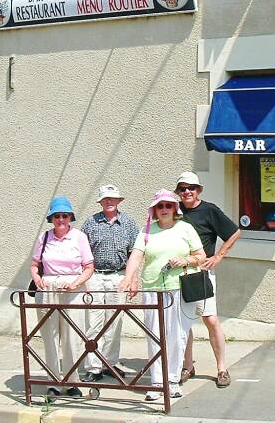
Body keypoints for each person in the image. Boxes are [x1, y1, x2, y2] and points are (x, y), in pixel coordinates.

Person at [118, 189, 206, 401]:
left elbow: (201, 256)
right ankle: (157, 382)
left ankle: (173, 380)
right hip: (152, 288)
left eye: (168, 205)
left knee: (177, 335)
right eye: (160, 206)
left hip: (178, 287)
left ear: (174, 208)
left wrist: (185, 261)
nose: (164, 209)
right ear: (154, 210)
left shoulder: (186, 228)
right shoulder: (147, 230)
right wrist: (129, 278)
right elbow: (136, 256)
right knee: (154, 335)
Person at [176, 171, 241, 389]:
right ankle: (187, 366)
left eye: (191, 188)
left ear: (199, 190)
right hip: (178, 274)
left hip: (201, 273)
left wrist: (219, 256)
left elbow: (234, 232)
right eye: (183, 188)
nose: (187, 192)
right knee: (183, 324)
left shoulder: (209, 210)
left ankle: (222, 368)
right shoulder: (173, 210)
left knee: (211, 320)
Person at [30, 195, 94, 399]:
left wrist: (75, 283)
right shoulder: (44, 237)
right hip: (48, 287)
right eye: (57, 216)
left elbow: (89, 267)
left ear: (70, 217)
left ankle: (72, 381)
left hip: (72, 289)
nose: (61, 219)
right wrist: (37, 279)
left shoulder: (79, 237)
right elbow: (34, 265)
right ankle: (53, 381)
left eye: (65, 215)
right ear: (51, 218)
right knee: (50, 335)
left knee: (72, 336)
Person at [81, 184, 139, 382]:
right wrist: (84, 278)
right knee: (94, 322)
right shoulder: (90, 223)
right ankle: (93, 366)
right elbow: (82, 253)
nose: (109, 202)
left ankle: (109, 363)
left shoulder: (129, 224)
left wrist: (133, 279)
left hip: (119, 276)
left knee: (115, 322)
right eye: (105, 199)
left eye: (113, 198)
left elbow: (135, 254)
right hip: (95, 276)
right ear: (100, 201)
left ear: (119, 201)